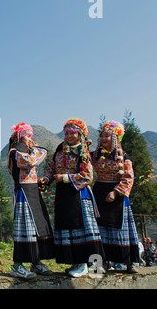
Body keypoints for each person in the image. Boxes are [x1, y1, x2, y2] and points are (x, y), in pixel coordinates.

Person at [39, 118, 104, 278]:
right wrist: (46, 180)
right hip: (64, 195)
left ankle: (89, 265)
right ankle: (76, 262)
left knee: (82, 228)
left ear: (80, 134)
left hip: (79, 195)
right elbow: (51, 168)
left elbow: (87, 176)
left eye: (72, 132)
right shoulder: (60, 150)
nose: (68, 135)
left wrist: (66, 178)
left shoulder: (84, 152)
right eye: (66, 132)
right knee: (69, 229)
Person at [91, 121, 140, 273]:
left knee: (121, 229)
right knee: (99, 229)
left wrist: (115, 192)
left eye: (107, 136)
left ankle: (131, 262)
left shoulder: (123, 156)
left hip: (117, 195)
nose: (103, 138)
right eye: (102, 136)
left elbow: (128, 177)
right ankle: (99, 264)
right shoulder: (95, 155)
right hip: (99, 193)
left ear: (116, 138)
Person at [7, 122, 54, 279]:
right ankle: (17, 265)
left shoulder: (27, 151)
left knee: (38, 227)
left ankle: (36, 261)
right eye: (27, 135)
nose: (30, 138)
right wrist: (38, 149)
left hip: (33, 192)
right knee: (25, 229)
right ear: (19, 137)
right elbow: (30, 161)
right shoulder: (15, 152)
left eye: (31, 136)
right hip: (23, 193)